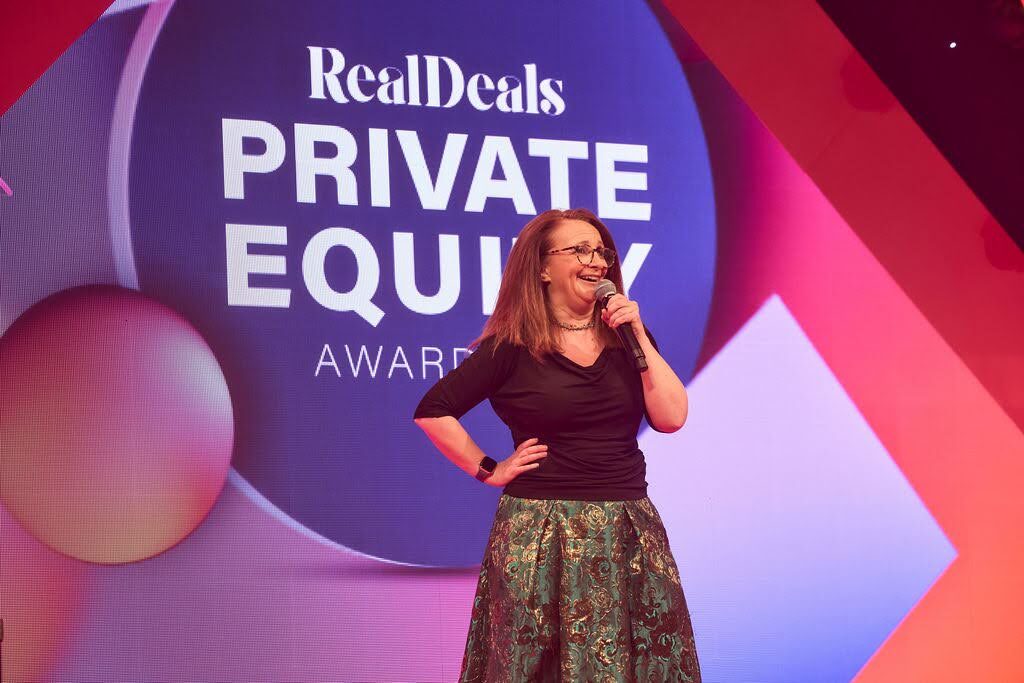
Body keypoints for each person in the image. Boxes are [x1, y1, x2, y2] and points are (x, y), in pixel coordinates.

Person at [414, 208, 701, 682]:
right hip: (542, 533)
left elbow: (671, 417)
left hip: (627, 528)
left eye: (601, 252)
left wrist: (636, 334)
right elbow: (433, 410)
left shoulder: (627, 339)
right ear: (543, 268)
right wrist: (490, 468)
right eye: (580, 250)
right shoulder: (511, 346)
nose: (596, 261)